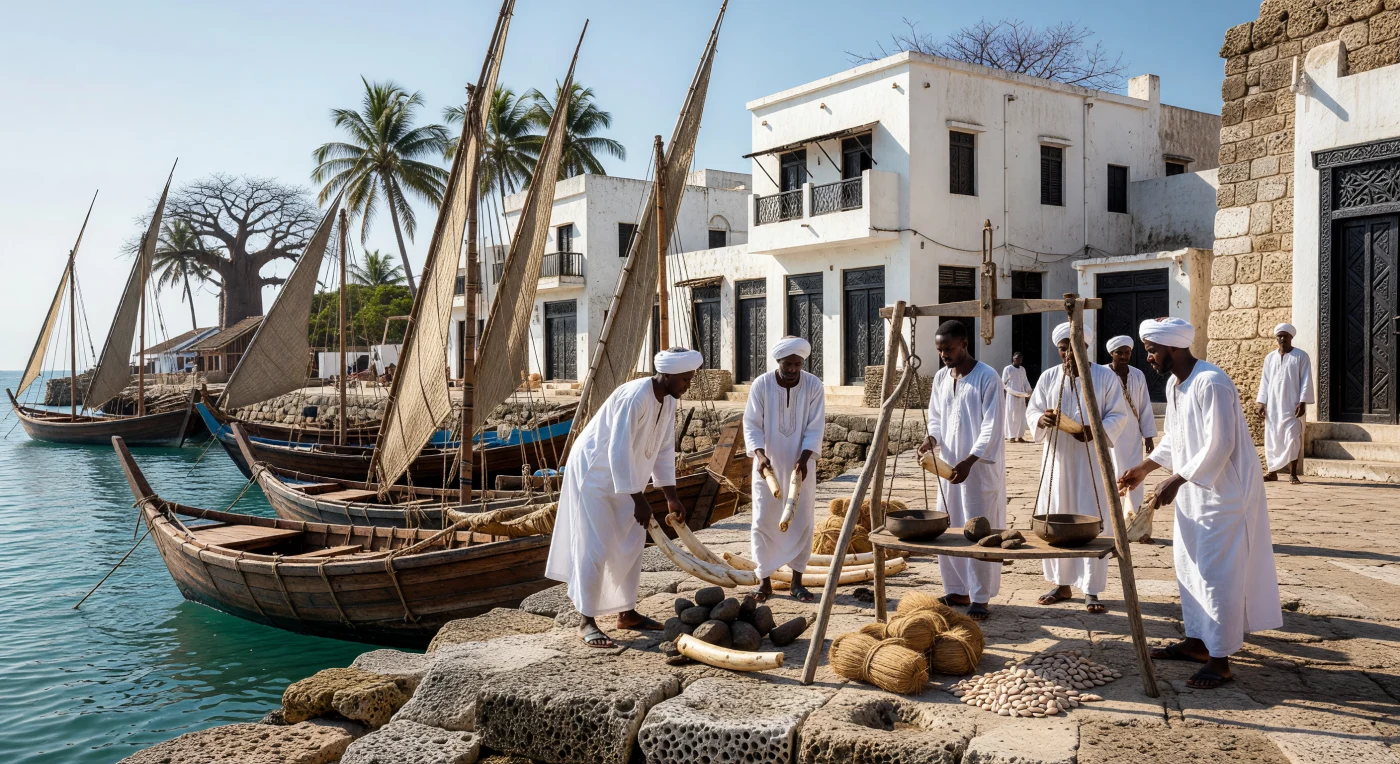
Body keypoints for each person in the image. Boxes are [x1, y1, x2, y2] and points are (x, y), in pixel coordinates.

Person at [1119, 317, 1281, 690]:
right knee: (1189, 565)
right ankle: (1196, 642)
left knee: (1215, 572)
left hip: (1224, 494)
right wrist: (1144, 468)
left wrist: (1175, 480)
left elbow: (1220, 444)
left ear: (1174, 347)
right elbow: (1176, 438)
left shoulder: (1212, 382)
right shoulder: (1176, 384)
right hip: (1194, 492)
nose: (1149, 357)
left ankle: (1219, 659)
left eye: (1152, 350)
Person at [545, 347, 702, 648]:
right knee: (595, 546)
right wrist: (639, 500)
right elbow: (617, 450)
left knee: (631, 541)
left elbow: (664, 449)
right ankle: (586, 622)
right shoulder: (635, 397)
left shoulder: (669, 400)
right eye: (685, 379)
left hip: (629, 477)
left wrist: (671, 496)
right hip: (595, 472)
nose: (688, 385)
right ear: (668, 375)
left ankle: (626, 613)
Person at [1028, 322, 1129, 614]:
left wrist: (1093, 431)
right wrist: (1042, 419)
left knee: (1091, 517)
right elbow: (1033, 410)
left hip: (1091, 463)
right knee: (1057, 517)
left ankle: (1091, 589)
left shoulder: (1105, 377)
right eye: (1064, 349)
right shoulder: (1048, 377)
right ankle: (1062, 584)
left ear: (1086, 347)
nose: (1069, 354)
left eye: (1075, 348)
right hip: (1057, 461)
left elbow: (1118, 415)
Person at [917, 320, 1005, 620]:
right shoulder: (941, 377)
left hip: (977, 470)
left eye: (949, 349)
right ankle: (956, 589)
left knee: (978, 531)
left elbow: (992, 426)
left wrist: (970, 460)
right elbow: (936, 418)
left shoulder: (987, 377)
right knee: (948, 527)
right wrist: (931, 440)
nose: (944, 355)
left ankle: (980, 597)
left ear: (965, 344)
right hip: (948, 468)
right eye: (940, 350)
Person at [744, 336, 825, 603]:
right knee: (762, 519)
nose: (792, 369)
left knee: (801, 519)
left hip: (802, 466)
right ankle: (764, 581)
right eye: (787, 364)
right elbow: (752, 424)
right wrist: (760, 456)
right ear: (778, 361)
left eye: (797, 364)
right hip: (766, 466)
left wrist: (804, 460)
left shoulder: (813, 385)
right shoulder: (761, 384)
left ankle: (797, 582)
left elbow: (815, 426)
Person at [1104, 336, 1157, 524]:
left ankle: (1133, 517)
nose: (1124, 356)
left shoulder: (1138, 375)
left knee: (1135, 474)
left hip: (1133, 433)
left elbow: (1144, 406)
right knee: (1112, 472)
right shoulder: (1102, 374)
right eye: (1119, 353)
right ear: (1111, 354)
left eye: (1127, 352)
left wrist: (1148, 436)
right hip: (1110, 432)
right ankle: (1111, 517)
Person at [1257, 323, 1313, 485]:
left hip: (1292, 405)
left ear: (1291, 337)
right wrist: (1262, 402)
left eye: (1285, 336)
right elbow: (1265, 381)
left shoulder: (1301, 356)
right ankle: (1272, 472)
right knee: (1272, 438)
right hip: (1273, 406)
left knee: (1293, 437)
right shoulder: (1270, 358)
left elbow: (1306, 380)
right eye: (1279, 336)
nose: (1282, 339)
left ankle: (1293, 474)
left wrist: (1303, 402)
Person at [1002, 352, 1032, 442]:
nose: (1018, 360)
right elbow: (1004, 383)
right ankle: (1011, 436)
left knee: (1021, 415)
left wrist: (1028, 390)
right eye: (1016, 358)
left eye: (1020, 359)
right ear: (1013, 358)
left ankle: (1020, 436)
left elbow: (1025, 381)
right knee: (1011, 415)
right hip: (1011, 396)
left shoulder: (1022, 369)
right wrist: (1012, 392)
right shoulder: (1008, 369)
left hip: (1021, 396)